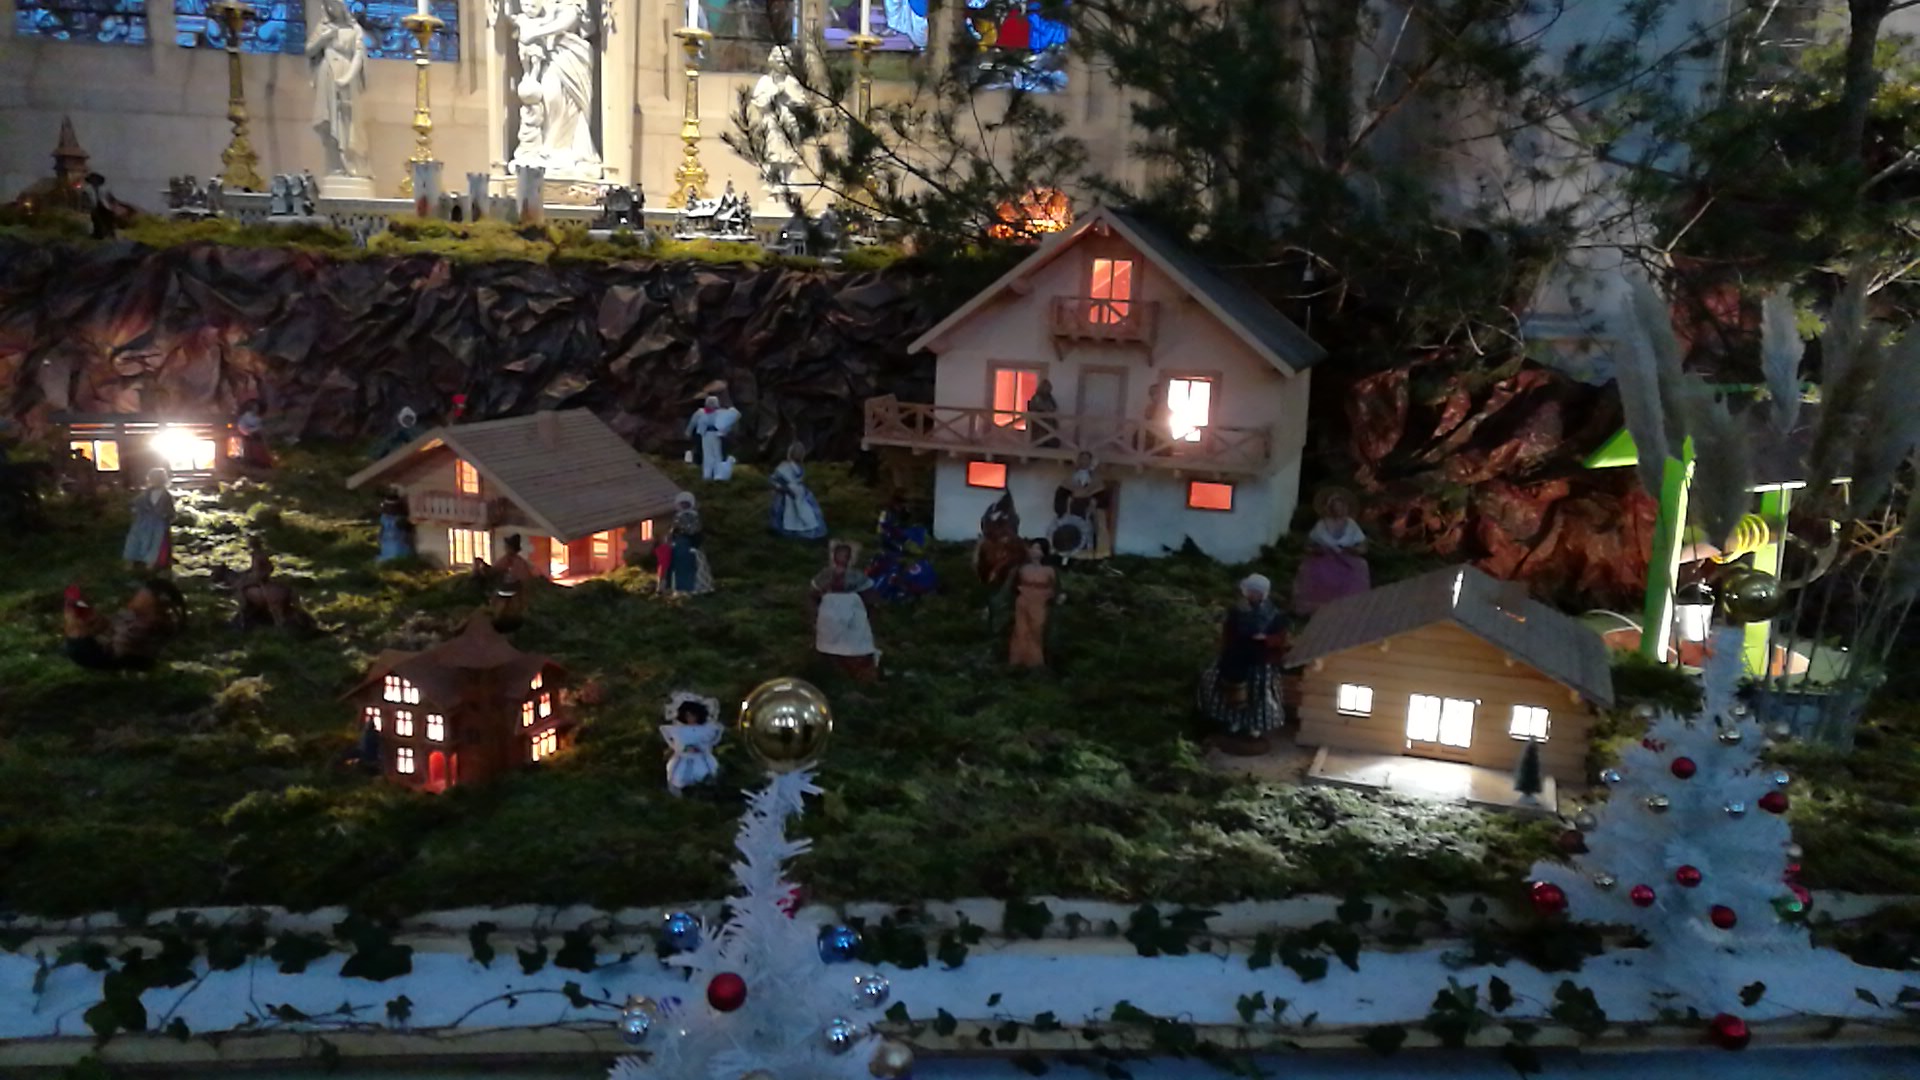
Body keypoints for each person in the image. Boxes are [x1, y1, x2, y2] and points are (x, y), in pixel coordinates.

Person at [1198, 574, 1286, 754]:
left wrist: (1266, 639)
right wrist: (1225, 650)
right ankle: (1234, 721)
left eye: (1256, 592)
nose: (1252, 595)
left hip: (1260, 661)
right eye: (1250, 591)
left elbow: (1281, 637)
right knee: (1232, 690)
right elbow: (1228, 632)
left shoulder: (1274, 614)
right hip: (1236, 657)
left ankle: (1255, 727)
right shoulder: (1237, 610)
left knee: (1258, 694)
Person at [306, 0, 368, 178]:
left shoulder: (355, 30)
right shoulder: (324, 27)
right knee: (329, 121)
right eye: (328, 6)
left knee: (348, 120)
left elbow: (359, 57)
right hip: (328, 75)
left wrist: (347, 77)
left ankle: (351, 163)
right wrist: (324, 38)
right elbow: (309, 50)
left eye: (334, 5)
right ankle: (335, 166)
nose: (332, 9)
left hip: (347, 75)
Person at [1292, 488, 1370, 615]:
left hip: (1346, 559)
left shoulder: (1351, 524)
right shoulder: (1321, 524)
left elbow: (1363, 545)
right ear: (1330, 507)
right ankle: (1318, 608)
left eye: (1341, 506)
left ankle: (1351, 607)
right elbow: (1308, 545)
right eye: (1335, 506)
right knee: (1310, 570)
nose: (1338, 509)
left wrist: (1354, 550)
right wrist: (1317, 550)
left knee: (1360, 568)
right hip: (1324, 559)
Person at [811, 539, 879, 680]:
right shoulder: (826, 574)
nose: (842, 558)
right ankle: (833, 665)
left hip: (853, 611)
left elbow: (868, 594)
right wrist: (814, 611)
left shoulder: (856, 576)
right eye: (839, 554)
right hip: (830, 611)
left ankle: (858, 666)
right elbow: (814, 592)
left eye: (845, 555)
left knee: (856, 638)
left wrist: (871, 609)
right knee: (829, 639)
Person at [1051, 452, 1114, 561]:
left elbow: (1103, 496)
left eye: (1086, 459)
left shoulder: (1096, 479)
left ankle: (1092, 556)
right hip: (1073, 508)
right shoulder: (1070, 478)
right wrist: (1061, 511)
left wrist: (1095, 501)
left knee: (1093, 531)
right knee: (1071, 532)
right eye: (1081, 459)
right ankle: (1071, 555)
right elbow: (1061, 494)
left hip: (1090, 510)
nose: (1083, 462)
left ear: (1090, 462)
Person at [1007, 538, 1060, 668]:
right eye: (1032, 548)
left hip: (1039, 603)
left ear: (1043, 552)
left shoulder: (1049, 570)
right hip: (1023, 602)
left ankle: (1035, 664)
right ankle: (1018, 662)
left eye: (1038, 548)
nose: (1034, 551)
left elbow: (1055, 588)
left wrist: (1054, 598)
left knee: (1037, 630)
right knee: (1021, 630)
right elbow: (1013, 587)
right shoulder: (1022, 568)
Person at [661, 692, 723, 796]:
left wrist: (699, 748)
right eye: (687, 716)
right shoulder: (679, 730)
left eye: (693, 715)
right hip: (683, 758)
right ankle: (681, 794)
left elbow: (707, 743)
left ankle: (702, 793)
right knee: (680, 776)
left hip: (700, 757)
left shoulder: (705, 730)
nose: (690, 718)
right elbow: (677, 744)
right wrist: (683, 748)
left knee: (703, 774)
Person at [658, 492, 714, 595]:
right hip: (679, 547)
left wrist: (693, 543)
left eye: (685, 504)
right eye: (681, 504)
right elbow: (674, 531)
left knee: (689, 568)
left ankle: (689, 588)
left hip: (688, 546)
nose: (682, 506)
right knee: (677, 568)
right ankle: (677, 588)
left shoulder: (691, 517)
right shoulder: (680, 516)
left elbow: (694, 531)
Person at [769, 441, 828, 539]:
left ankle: (786, 530)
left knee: (788, 510)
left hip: (788, 491)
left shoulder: (784, 466)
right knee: (803, 509)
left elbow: (774, 479)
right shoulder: (800, 468)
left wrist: (779, 487)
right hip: (799, 491)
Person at [124, 468, 174, 573]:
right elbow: (135, 503)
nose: (155, 481)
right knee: (136, 541)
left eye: (158, 479)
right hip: (143, 522)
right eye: (153, 479)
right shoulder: (145, 494)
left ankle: (150, 564)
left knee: (155, 543)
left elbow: (171, 511)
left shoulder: (166, 496)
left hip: (158, 524)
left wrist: (166, 516)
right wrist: (135, 509)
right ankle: (131, 562)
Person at [685, 395, 740, 481]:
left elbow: (733, 416)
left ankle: (715, 475)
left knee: (715, 455)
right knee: (709, 455)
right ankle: (709, 475)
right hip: (707, 435)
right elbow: (693, 422)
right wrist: (688, 432)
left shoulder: (718, 413)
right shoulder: (702, 412)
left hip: (716, 435)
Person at [377, 489, 415, 562]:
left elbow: (408, 532)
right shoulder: (384, 516)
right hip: (387, 541)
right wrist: (380, 535)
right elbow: (382, 527)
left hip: (397, 543)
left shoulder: (400, 518)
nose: (389, 509)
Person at [235, 400, 273, 470]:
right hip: (250, 434)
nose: (256, 408)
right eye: (255, 407)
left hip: (258, 434)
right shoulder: (247, 416)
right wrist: (251, 432)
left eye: (257, 407)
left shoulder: (257, 416)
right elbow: (244, 427)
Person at [1026, 378, 1060, 448]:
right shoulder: (1037, 397)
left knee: (1051, 437)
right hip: (1039, 422)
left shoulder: (1050, 397)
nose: (1048, 390)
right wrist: (1046, 411)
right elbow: (1037, 407)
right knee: (1041, 438)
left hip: (1049, 422)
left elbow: (1054, 407)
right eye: (1047, 388)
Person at [1142, 381, 1173, 456]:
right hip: (1151, 436)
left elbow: (1165, 421)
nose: (1154, 396)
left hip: (1163, 436)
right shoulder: (1149, 408)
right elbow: (1147, 419)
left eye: (1157, 393)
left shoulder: (1165, 408)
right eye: (1152, 394)